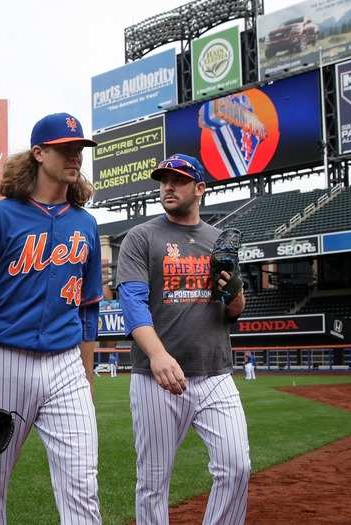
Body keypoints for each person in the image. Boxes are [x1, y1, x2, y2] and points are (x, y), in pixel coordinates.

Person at [0, 112, 103, 525]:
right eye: (65, 148)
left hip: (66, 364)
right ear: (39, 153)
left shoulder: (85, 225)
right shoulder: (1, 216)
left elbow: (89, 311)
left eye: (79, 149)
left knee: (83, 487)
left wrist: (86, 380)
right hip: (3, 359)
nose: (75, 156)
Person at [116, 153, 251, 525]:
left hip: (215, 373)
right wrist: (157, 355)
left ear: (200, 189)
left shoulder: (218, 241)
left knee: (236, 467)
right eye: (164, 180)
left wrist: (235, 291)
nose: (168, 186)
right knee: (153, 483)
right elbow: (132, 303)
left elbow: (234, 310)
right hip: (156, 378)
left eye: (178, 180)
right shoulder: (141, 237)